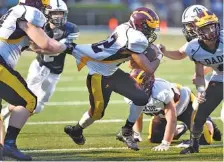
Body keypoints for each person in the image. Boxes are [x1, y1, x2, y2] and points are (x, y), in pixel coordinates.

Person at [64, 7, 163, 151]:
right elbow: (150, 69)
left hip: (112, 72)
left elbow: (130, 63)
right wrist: (159, 55)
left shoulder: (125, 27)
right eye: (149, 28)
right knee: (97, 113)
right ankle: (77, 130)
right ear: (140, 25)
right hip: (98, 75)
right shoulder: (136, 38)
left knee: (141, 98)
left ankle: (127, 130)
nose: (151, 32)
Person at [0, 0, 71, 160]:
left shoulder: (13, 12)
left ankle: (2, 149)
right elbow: (46, 44)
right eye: (45, 7)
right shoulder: (29, 13)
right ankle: (9, 145)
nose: (46, 11)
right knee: (29, 101)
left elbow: (35, 46)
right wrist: (66, 46)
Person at [159, 10, 223, 154]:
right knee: (200, 114)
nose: (211, 31)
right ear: (198, 31)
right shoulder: (194, 48)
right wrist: (201, 90)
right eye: (207, 28)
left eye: (213, 26)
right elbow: (199, 74)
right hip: (219, 79)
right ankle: (194, 146)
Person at [127, 69, 220, 151]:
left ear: (148, 84)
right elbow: (137, 113)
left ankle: (207, 121)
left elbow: (172, 120)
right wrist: (137, 134)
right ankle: (181, 128)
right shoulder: (130, 95)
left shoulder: (160, 92)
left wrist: (165, 143)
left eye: (139, 86)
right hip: (162, 112)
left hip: (185, 105)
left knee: (203, 140)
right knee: (155, 138)